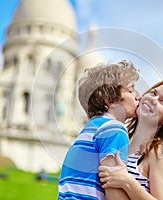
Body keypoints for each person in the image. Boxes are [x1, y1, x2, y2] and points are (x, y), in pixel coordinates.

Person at [58, 61, 140, 199]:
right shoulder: (115, 130)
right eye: (131, 90)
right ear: (109, 99)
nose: (138, 96)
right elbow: (114, 194)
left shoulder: (91, 128)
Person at [99, 80, 163, 200]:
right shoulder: (123, 142)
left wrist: (127, 182)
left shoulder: (159, 153)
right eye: (153, 93)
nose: (153, 100)